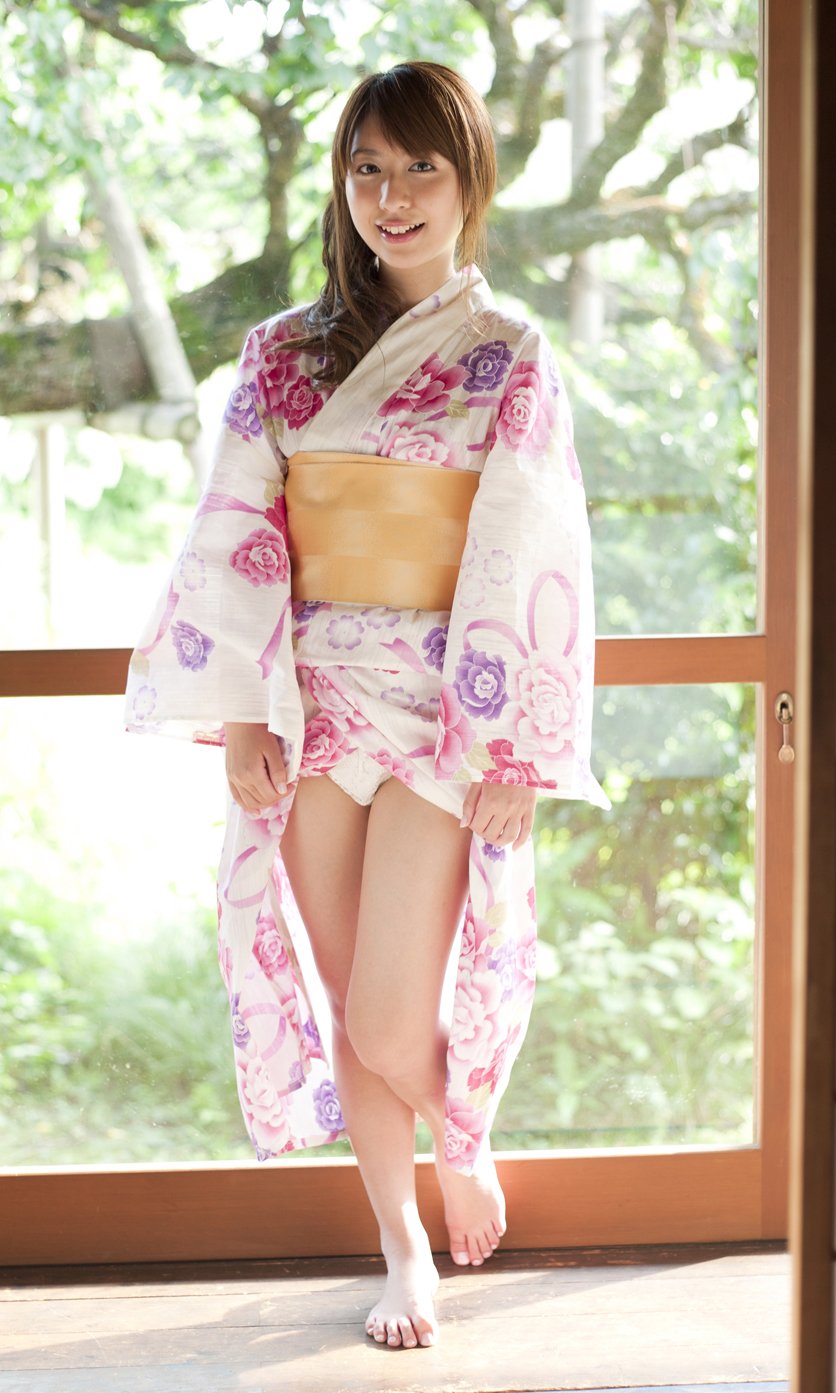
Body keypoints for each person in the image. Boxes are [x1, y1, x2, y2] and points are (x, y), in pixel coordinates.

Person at [125, 60, 610, 1351]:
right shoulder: (281, 355)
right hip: (312, 700)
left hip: (449, 705)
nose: (391, 198)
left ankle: (462, 1135)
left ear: (469, 181)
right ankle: (403, 1245)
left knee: (395, 1013)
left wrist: (511, 747)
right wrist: (241, 709)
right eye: (368, 171)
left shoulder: (510, 356)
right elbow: (234, 531)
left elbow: (534, 552)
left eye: (420, 170)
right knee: (352, 1005)